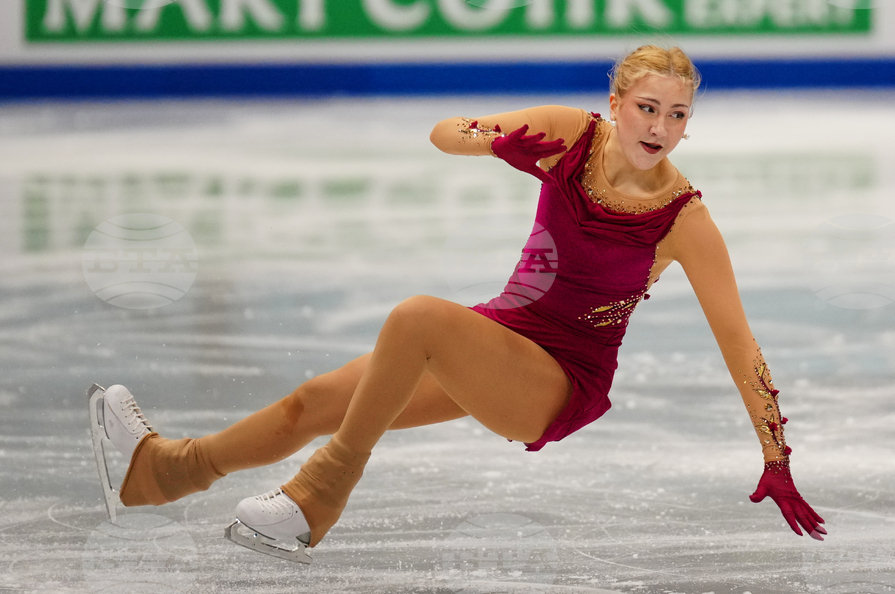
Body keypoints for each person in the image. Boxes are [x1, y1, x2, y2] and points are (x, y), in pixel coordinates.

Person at [90, 45, 826, 564]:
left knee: (419, 318)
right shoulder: (573, 135)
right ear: (616, 105)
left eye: (677, 114)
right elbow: (447, 131)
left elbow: (741, 347)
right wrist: (492, 144)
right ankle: (164, 471)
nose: (659, 128)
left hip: (559, 378)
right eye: (647, 108)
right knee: (311, 402)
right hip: (502, 332)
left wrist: (777, 456)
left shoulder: (685, 220)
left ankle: (319, 496)